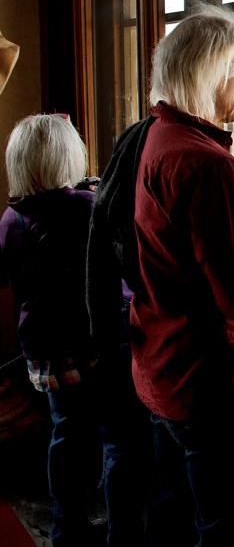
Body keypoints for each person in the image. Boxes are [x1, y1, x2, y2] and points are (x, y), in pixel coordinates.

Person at [87, 3, 234, 546]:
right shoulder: (210, 164)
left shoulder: (152, 138)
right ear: (213, 73)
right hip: (220, 391)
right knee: (229, 531)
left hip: (163, 372)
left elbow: (190, 246)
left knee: (171, 517)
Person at [0, 114, 147, 547]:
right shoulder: (83, 208)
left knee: (65, 437)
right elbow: (116, 274)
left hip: (44, 354)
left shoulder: (10, 218)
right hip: (93, 347)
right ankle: (123, 533)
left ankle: (67, 526)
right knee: (120, 440)